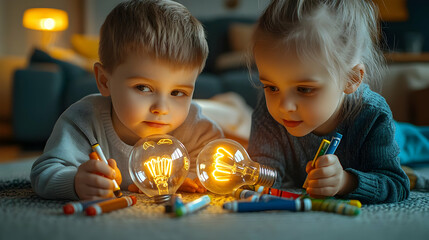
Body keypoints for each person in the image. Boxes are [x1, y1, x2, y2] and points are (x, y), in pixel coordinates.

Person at [30, 0, 223, 200]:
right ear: (105, 81)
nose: (161, 108)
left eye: (177, 93)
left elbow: (213, 167)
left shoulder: (195, 128)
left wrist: (185, 178)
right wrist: (75, 182)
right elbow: (43, 172)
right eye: (143, 88)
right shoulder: (84, 121)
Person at [247, 0, 409, 204]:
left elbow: (397, 185)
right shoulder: (267, 112)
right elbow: (264, 176)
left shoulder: (373, 114)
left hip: (385, 135)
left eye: (304, 89)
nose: (284, 106)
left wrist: (345, 182)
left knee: (411, 143)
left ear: (351, 80)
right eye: (272, 87)